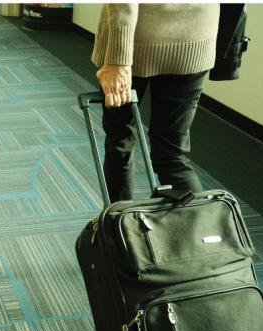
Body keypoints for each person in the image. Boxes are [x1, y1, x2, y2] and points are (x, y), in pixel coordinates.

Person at [92, 3, 220, 202]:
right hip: (196, 37)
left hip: (134, 43)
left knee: (120, 145)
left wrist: (118, 60)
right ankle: (199, 230)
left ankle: (120, 230)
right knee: (172, 155)